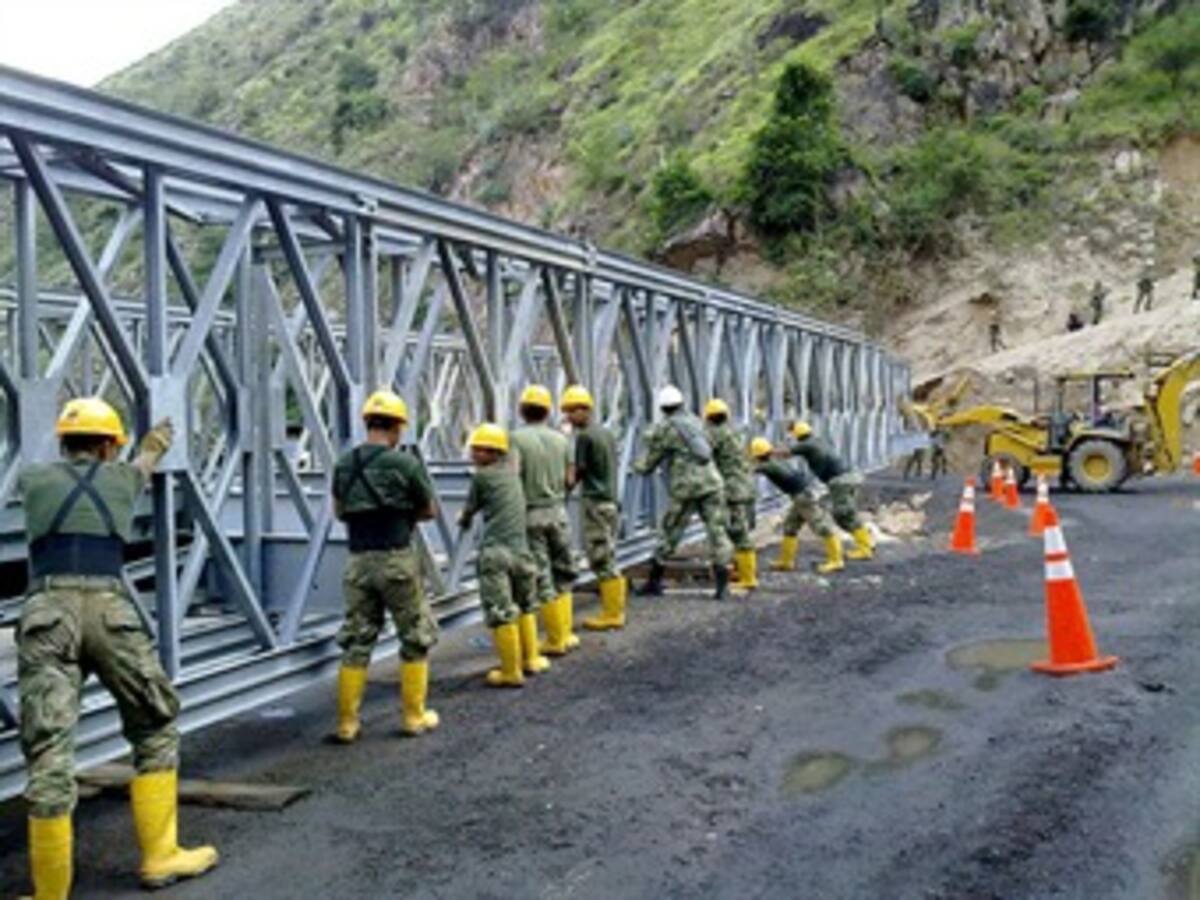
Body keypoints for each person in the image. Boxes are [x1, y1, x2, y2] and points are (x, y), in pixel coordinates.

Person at [17, 398, 217, 895]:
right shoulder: (125, 479)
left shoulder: (34, 480)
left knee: (49, 751)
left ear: (64, 441)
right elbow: (142, 465)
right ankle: (160, 856)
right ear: (110, 445)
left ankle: (49, 893)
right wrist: (152, 446)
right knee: (153, 722)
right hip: (109, 610)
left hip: (49, 610)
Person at [331, 390, 439, 743]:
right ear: (397, 427)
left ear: (368, 423)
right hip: (396, 558)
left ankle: (347, 724)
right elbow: (428, 511)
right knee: (414, 635)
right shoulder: (405, 464)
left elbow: (339, 511)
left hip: (359, 560)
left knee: (357, 639)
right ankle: (413, 716)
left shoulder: (343, 464)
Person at [459, 423, 548, 687]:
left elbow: (470, 508)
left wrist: (462, 520)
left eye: (478, 449)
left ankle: (510, 672)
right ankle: (531, 659)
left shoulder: (482, 478)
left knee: (501, 611)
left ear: (492, 452)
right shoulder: (512, 475)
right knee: (525, 603)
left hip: (496, 553)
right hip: (522, 553)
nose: (473, 453)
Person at [634, 386, 733, 600]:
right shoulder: (698, 422)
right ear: (682, 403)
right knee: (718, 532)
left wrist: (636, 469)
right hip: (712, 483)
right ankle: (723, 587)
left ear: (663, 407)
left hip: (685, 488)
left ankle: (654, 581)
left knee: (670, 532)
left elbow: (650, 456)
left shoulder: (666, 427)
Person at [510, 384, 579, 656]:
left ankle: (553, 640)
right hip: (558, 512)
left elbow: (512, 476)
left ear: (522, 410)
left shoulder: (515, 439)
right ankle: (566, 632)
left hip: (531, 515)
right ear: (548, 411)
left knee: (542, 576)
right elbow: (571, 479)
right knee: (563, 571)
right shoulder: (562, 441)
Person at [561, 385, 625, 631]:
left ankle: (612, 614)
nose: (568, 417)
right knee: (609, 553)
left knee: (600, 556)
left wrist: (562, 489)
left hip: (596, 502)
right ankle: (616, 609)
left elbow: (577, 473)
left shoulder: (585, 437)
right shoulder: (606, 433)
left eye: (571, 411)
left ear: (584, 410)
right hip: (610, 500)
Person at [785, 421, 875, 563]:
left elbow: (785, 453)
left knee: (843, 515)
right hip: (848, 478)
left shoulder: (807, 444)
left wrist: (764, 452)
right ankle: (866, 544)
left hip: (840, 481)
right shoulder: (817, 441)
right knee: (847, 513)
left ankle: (864, 549)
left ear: (797, 435)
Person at [749, 438, 843, 573]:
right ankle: (786, 562)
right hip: (800, 496)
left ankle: (836, 560)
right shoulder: (776, 461)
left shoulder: (767, 465)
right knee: (790, 527)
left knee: (821, 527)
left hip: (802, 498)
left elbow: (750, 469)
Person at [704, 398, 758, 590]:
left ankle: (746, 578)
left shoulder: (716, 434)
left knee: (733, 531)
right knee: (740, 529)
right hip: (744, 486)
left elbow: (702, 452)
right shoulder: (735, 432)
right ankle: (745, 573)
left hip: (730, 488)